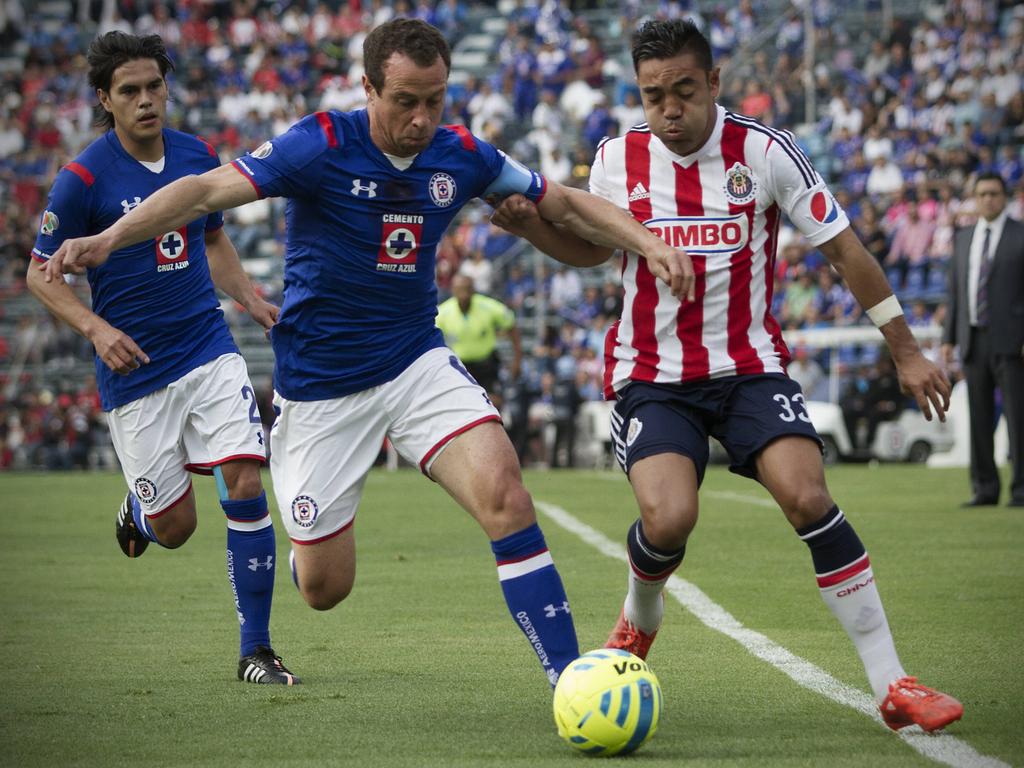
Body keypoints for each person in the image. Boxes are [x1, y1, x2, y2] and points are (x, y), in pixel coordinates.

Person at [40, 19, 693, 688]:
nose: (421, 119)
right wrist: (110, 238)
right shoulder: (318, 144)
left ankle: (568, 681)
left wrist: (649, 244)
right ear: (368, 89)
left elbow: (565, 204)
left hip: (415, 361)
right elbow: (204, 192)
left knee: (505, 492)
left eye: (435, 100)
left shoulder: (460, 152)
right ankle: (305, 546)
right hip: (322, 387)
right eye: (405, 101)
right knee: (324, 588)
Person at [492, 19, 963, 730]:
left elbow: (845, 251)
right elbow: (596, 253)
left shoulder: (766, 153)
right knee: (671, 517)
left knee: (808, 497)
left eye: (684, 91)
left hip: (748, 368)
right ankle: (638, 619)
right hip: (651, 374)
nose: (670, 110)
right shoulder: (619, 159)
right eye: (654, 97)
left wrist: (904, 348)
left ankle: (894, 682)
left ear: (713, 82)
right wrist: (531, 228)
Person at [25, 32, 298, 684]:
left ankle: (255, 651)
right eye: (130, 91)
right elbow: (41, 275)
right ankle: (141, 513)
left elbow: (213, 242)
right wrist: (95, 330)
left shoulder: (196, 156)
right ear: (105, 100)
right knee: (176, 528)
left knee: (246, 480)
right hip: (134, 370)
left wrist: (253, 302)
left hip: (206, 346)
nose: (147, 100)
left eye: (155, 86)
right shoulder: (82, 179)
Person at [941, 172, 1024, 507]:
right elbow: (956, 291)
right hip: (973, 338)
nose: (988, 199)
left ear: (1005, 197)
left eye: (994, 193)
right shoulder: (964, 238)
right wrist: (949, 337)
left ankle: (1021, 489)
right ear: (974, 198)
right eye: (982, 194)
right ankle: (985, 488)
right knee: (979, 417)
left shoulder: (1020, 236)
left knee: (1018, 418)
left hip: (1012, 341)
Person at [435, 273, 520, 411]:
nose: (463, 293)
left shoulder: (488, 306)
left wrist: (517, 360)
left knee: (493, 404)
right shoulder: (444, 312)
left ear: (473, 289)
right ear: (452, 290)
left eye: (466, 288)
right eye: (459, 289)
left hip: (487, 365)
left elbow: (511, 324)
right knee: (460, 407)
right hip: (460, 368)